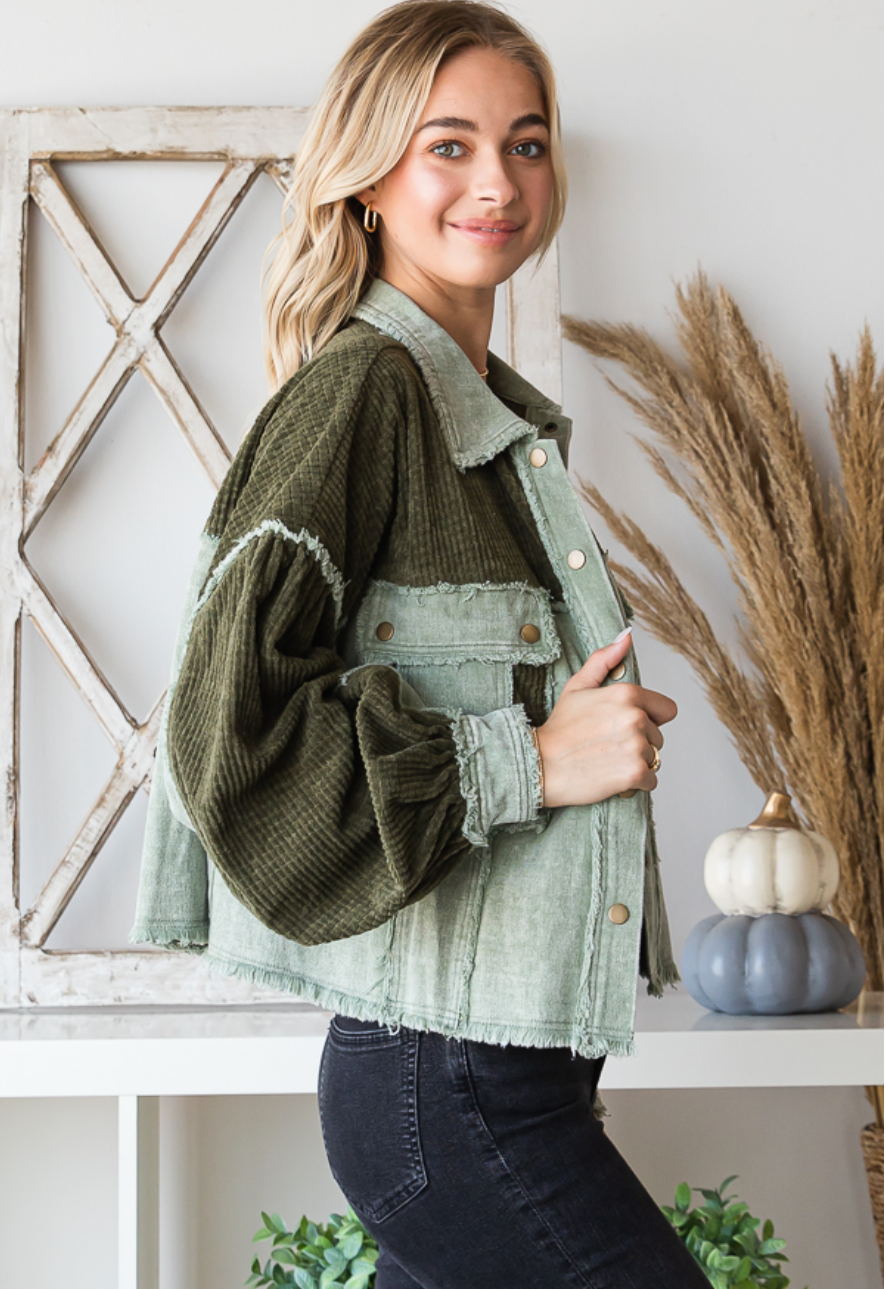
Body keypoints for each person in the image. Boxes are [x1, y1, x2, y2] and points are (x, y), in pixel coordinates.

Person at [131, 2, 711, 1284]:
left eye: (525, 143)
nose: (496, 182)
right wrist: (532, 759)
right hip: (452, 1091)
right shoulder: (361, 394)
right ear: (367, 177)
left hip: (494, 1085)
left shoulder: (489, 420)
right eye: (448, 145)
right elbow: (228, 736)